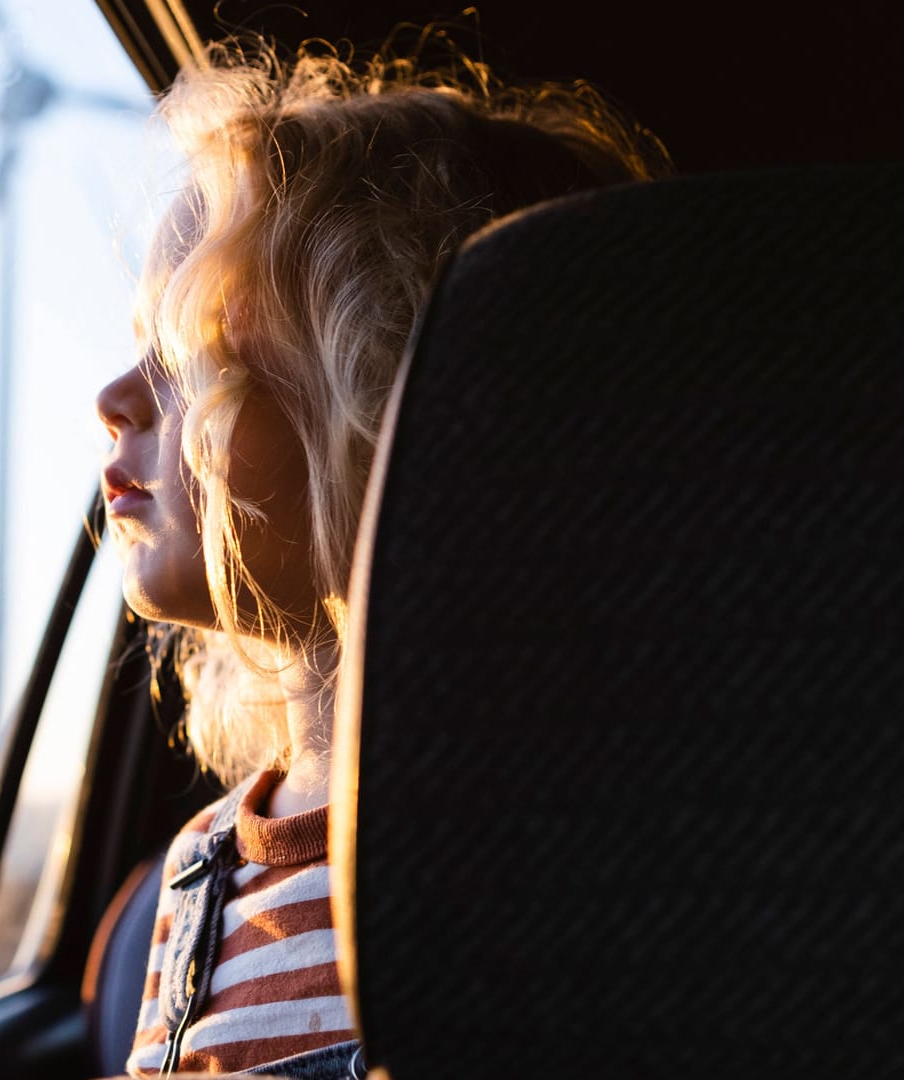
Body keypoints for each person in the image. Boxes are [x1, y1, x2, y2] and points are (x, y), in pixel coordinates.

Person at [94, 35, 669, 1078]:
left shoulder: (580, 853)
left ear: (379, 394)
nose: (115, 398)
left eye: (188, 355)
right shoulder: (200, 877)